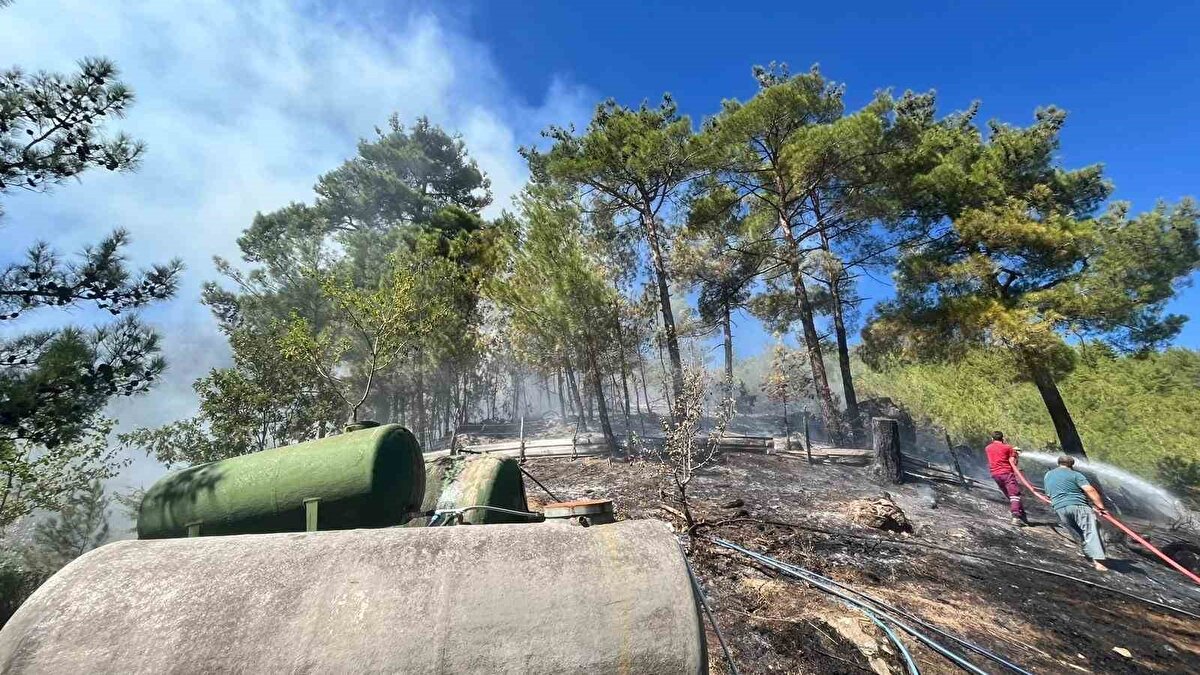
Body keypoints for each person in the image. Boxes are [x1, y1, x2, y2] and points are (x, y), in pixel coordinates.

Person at [1044, 455, 1109, 572]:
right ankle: (1099, 562)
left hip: (1060, 508)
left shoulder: (1048, 475)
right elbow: (1090, 490)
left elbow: (1048, 494)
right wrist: (1101, 507)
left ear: (1058, 463)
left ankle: (1088, 553)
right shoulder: (1076, 475)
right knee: (1091, 530)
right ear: (1072, 465)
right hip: (1078, 506)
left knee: (1080, 531)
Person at [985, 431, 1027, 526]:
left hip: (995, 474)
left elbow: (998, 455)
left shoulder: (988, 448)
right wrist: (1015, 453)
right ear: (1002, 438)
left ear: (992, 439)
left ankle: (1022, 514)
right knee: (1014, 494)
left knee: (1010, 495)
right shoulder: (1008, 447)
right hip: (1007, 473)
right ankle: (1016, 517)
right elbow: (1013, 462)